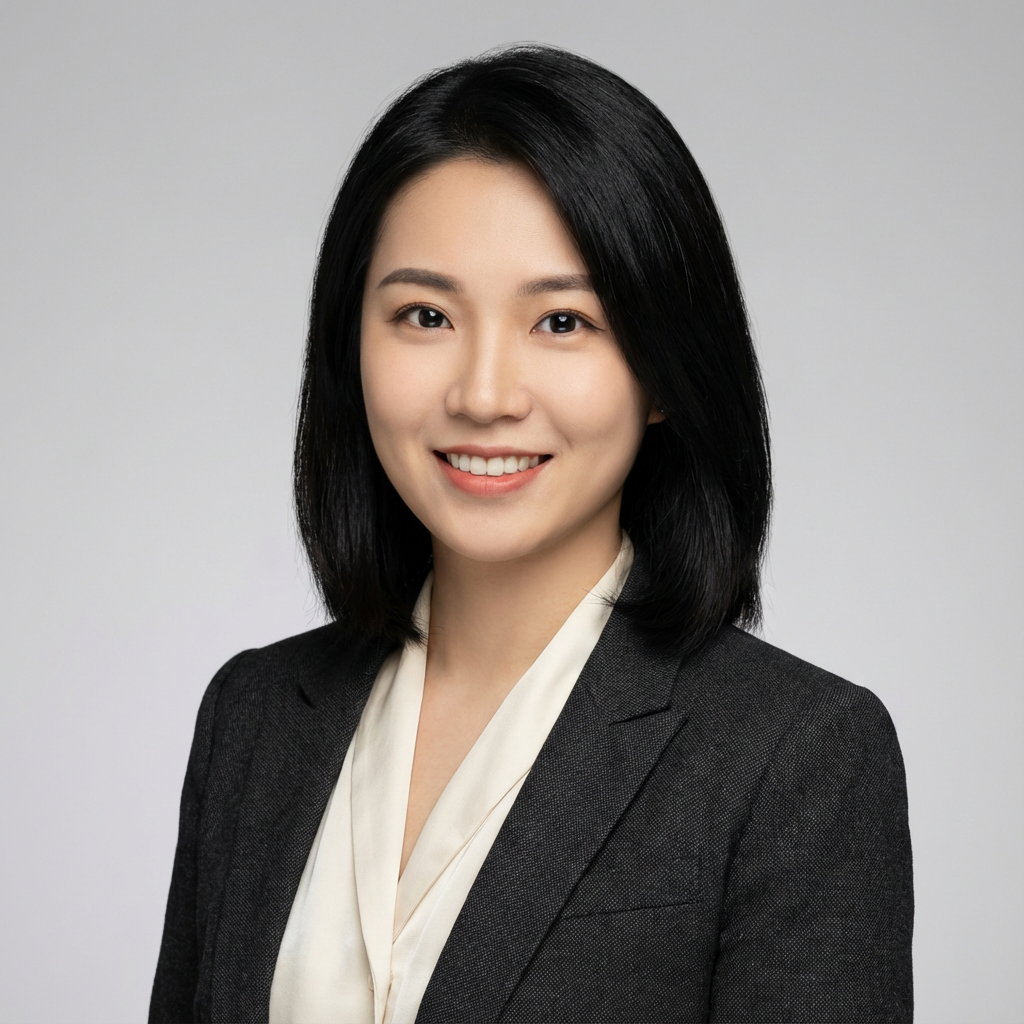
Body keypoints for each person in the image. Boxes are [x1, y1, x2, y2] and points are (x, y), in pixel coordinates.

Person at [149, 45, 913, 1024]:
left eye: (561, 322)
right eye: (425, 315)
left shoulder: (794, 756)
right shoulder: (254, 717)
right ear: (351, 346)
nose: (483, 395)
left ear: (664, 372)